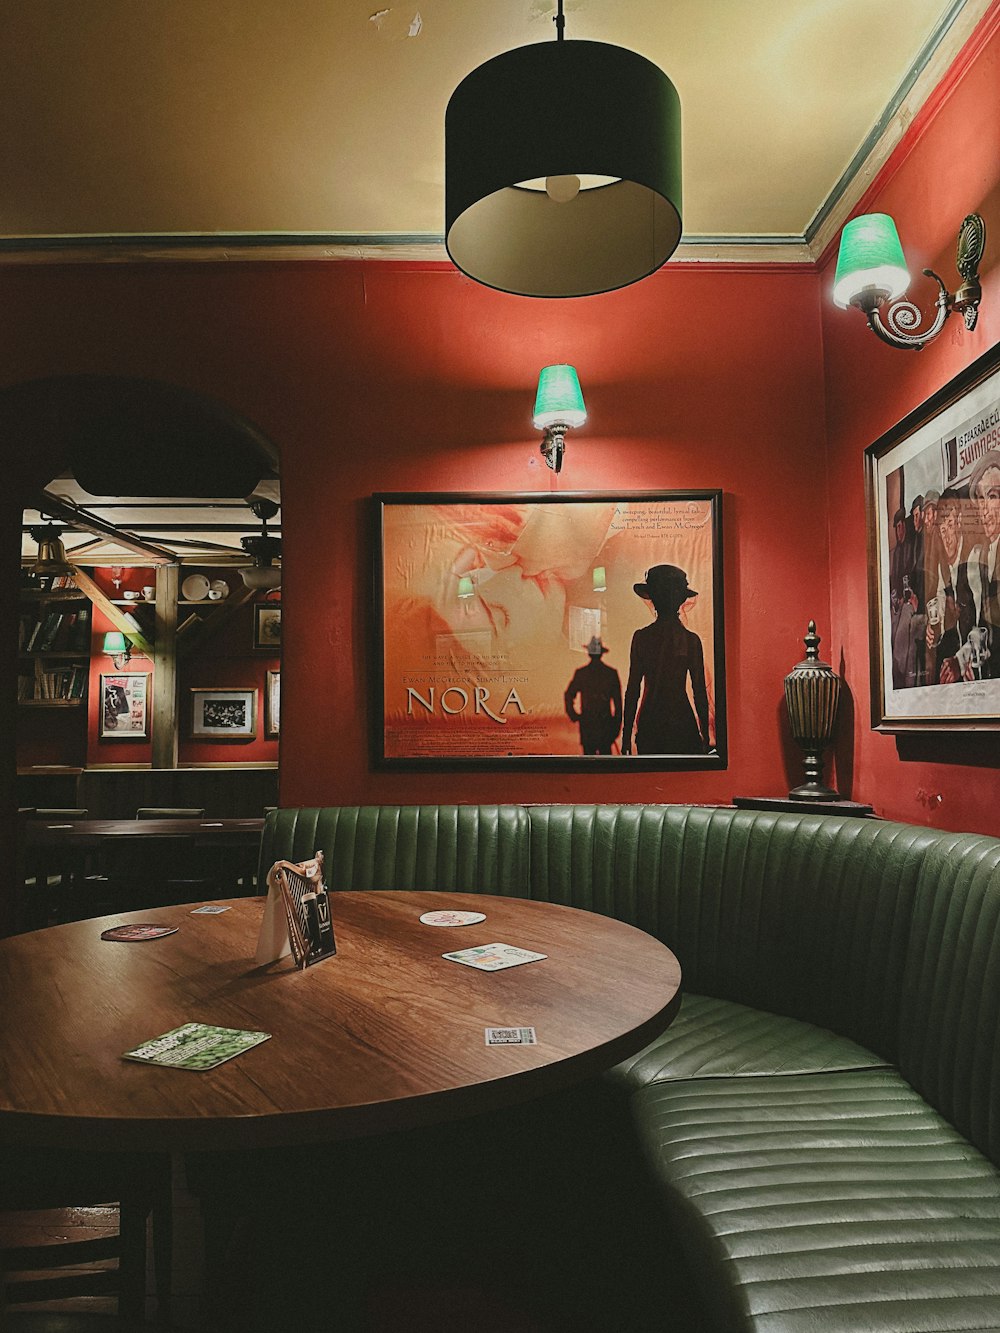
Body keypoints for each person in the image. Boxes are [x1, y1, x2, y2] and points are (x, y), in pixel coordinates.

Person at [621, 565, 710, 755]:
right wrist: (706, 736)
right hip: (681, 724)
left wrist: (626, 736)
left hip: (650, 724)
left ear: (653, 598)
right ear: (680, 599)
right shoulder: (690, 640)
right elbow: (699, 693)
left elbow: (633, 691)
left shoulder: (642, 638)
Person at [928, 488, 978, 685]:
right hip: (957, 658)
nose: (947, 535)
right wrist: (935, 628)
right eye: (942, 529)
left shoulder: (974, 555)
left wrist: (962, 659)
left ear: (958, 522)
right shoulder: (943, 565)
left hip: (981, 662)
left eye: (950, 525)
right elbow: (940, 597)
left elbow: (986, 626)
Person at [969, 448, 1000, 678]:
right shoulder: (979, 557)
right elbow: (981, 630)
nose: (985, 509)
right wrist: (961, 659)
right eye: (980, 499)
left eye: (992, 496)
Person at [563, 637, 622, 755]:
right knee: (605, 767)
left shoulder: (582, 673)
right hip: (604, 727)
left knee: (588, 765)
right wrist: (615, 727)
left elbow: (568, 695)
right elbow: (618, 705)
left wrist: (574, 715)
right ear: (601, 654)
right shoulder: (610, 674)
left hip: (589, 726)